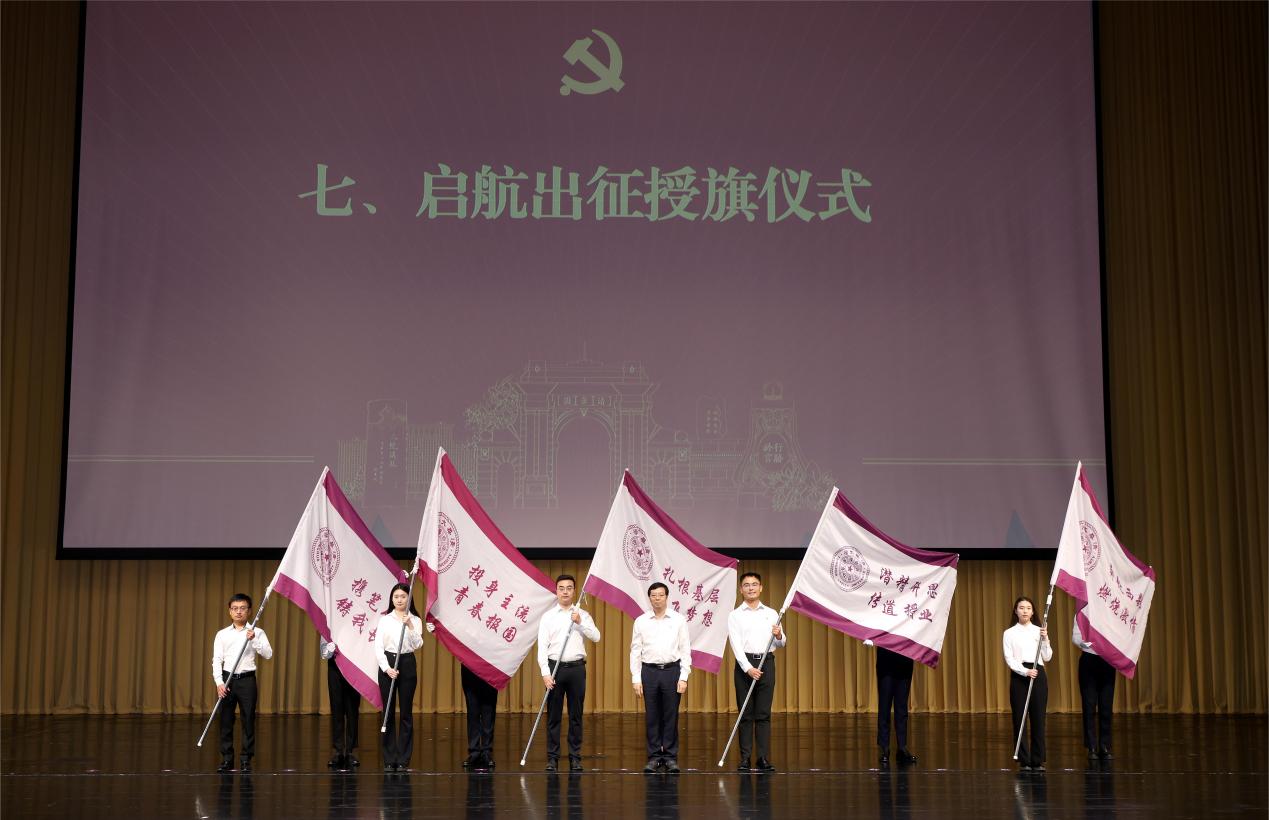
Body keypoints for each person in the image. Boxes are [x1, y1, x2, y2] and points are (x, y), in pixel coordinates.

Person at [536, 574, 601, 772]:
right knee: (554, 716)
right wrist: (545, 673)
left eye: (569, 588)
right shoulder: (548, 617)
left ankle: (575, 757)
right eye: (561, 588)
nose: (565, 592)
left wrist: (580, 622)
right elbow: (542, 648)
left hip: (576, 670)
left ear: (574, 591)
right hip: (555, 668)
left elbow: (596, 637)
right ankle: (552, 758)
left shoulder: (583, 614)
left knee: (576, 716)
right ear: (556, 591)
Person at [726, 572, 785, 772]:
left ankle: (762, 758)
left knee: (763, 714)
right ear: (741, 589)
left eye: (754, 584)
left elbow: (781, 643)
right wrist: (748, 668)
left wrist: (779, 635)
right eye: (746, 585)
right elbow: (736, 645)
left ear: (761, 588)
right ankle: (745, 758)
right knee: (745, 713)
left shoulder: (771, 613)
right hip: (746, 665)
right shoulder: (735, 615)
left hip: (767, 662)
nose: (751, 588)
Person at [630, 582, 692, 773]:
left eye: (661, 595)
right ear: (649, 598)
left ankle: (670, 757)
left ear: (667, 597)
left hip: (672, 671)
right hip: (649, 672)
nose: (657, 598)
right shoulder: (641, 621)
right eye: (654, 595)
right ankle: (655, 756)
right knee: (652, 716)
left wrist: (684, 676)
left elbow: (685, 649)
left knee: (670, 716)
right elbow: (635, 650)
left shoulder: (678, 620)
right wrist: (636, 678)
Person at [211, 593, 273, 773]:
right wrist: (219, 682)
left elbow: (268, 654)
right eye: (235, 608)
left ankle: (246, 759)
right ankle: (227, 758)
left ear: (249, 611)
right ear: (230, 611)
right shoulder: (222, 634)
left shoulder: (257, 632)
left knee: (248, 720)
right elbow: (217, 659)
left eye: (242, 608)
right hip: (227, 680)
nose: (239, 612)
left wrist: (254, 640)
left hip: (247, 681)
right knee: (226, 720)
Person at [375, 583, 422, 772]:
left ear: (408, 598)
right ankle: (389, 758)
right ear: (392, 599)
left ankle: (403, 758)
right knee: (387, 712)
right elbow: (378, 647)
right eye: (396, 597)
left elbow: (418, 644)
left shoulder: (415, 619)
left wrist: (409, 625)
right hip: (388, 663)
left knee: (405, 713)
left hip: (407, 662)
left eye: (403, 596)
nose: (400, 600)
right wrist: (387, 668)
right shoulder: (385, 620)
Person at [1002, 596, 1052, 771]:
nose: (1025, 611)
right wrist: (1025, 671)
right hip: (1019, 675)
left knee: (1038, 718)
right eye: (1021, 608)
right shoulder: (1009, 633)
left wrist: (1046, 639)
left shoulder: (1039, 631)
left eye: (1028, 608)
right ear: (1016, 611)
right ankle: (1024, 759)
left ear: (1032, 612)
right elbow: (1009, 658)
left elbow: (1047, 656)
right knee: (1019, 718)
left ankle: (1038, 759)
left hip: (1038, 674)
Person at [1074, 614, 1115, 760]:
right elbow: (1076, 637)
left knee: (1106, 706)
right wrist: (1091, 643)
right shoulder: (1082, 612)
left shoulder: (1110, 613)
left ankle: (1105, 746)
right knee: (1089, 706)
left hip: (1107, 661)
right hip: (1089, 660)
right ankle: (1091, 746)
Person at [871, 645, 918, 766]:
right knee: (884, 706)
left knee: (902, 707)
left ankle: (902, 747)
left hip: (905, 657)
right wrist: (871, 637)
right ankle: (884, 748)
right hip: (886, 659)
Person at [320, 636, 361, 769]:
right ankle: (338, 751)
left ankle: (351, 751)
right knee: (336, 709)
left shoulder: (355, 626)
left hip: (353, 667)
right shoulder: (328, 627)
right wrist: (329, 649)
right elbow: (324, 654)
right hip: (335, 668)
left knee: (352, 711)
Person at [461, 664, 499, 770]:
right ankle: (474, 752)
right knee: (472, 712)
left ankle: (487, 751)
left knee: (488, 712)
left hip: (490, 668)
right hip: (470, 668)